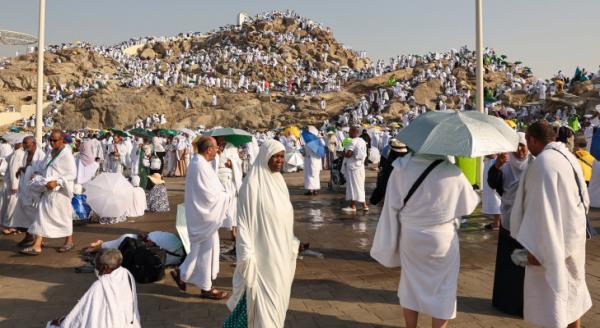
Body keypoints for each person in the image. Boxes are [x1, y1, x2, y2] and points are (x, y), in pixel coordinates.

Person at [370, 152, 479, 328]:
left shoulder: (401, 169)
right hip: (443, 238)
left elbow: (391, 204)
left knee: (410, 285)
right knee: (444, 288)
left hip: (411, 237)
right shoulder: (453, 172)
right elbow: (468, 206)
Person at [510, 121, 592, 328]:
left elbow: (541, 211)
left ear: (531, 140)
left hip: (553, 240)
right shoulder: (567, 157)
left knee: (554, 300)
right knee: (572, 295)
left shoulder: (544, 163)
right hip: (573, 233)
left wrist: (536, 250)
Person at [224, 140, 299, 328]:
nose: (280, 161)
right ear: (266, 156)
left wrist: (292, 242)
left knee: (279, 300)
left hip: (281, 256)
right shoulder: (251, 185)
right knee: (265, 305)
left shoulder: (279, 182)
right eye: (276, 156)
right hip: (262, 258)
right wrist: (246, 256)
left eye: (282, 156)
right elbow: (244, 224)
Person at [170, 136, 230, 299]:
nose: (218, 150)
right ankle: (206, 288)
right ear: (209, 149)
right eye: (216, 147)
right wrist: (226, 196)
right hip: (204, 215)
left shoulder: (200, 163)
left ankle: (181, 274)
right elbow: (209, 195)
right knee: (205, 252)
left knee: (199, 250)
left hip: (202, 216)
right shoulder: (200, 166)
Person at [487, 132, 533, 316]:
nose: (521, 150)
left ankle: (525, 304)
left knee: (525, 266)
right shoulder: (504, 165)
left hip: (528, 221)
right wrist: (496, 167)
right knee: (508, 265)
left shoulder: (534, 164)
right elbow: (493, 184)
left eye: (524, 145)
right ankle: (505, 302)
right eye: (518, 146)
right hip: (508, 221)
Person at [47, 248, 141, 327]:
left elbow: (81, 311)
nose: (95, 267)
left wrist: (64, 322)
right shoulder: (126, 273)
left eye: (96, 264)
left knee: (51, 325)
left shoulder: (99, 285)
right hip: (128, 323)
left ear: (105, 267)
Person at [21, 130, 77, 255]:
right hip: (47, 189)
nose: (51, 142)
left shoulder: (66, 154)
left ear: (62, 140)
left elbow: (71, 174)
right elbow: (43, 167)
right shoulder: (50, 152)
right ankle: (37, 245)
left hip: (60, 192)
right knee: (41, 215)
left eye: (54, 140)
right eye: (50, 140)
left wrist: (57, 182)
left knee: (63, 216)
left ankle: (69, 241)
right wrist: (38, 173)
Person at [12, 136, 46, 247]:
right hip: (25, 187)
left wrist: (36, 173)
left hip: (35, 189)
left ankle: (38, 240)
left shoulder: (41, 155)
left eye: (26, 143)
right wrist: (22, 169)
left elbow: (43, 170)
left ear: (33, 143)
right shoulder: (26, 153)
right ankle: (29, 236)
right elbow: (27, 166)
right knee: (25, 213)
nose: (24, 145)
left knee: (36, 215)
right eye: (23, 143)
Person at [83, 232, 184, 266]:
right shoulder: (180, 251)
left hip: (155, 253)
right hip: (166, 256)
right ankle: (101, 245)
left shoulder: (167, 238)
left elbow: (149, 243)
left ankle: (99, 246)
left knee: (126, 238)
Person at [369, 139, 408, 205]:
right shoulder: (410, 163)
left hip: (394, 201)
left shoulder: (391, 165)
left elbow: (383, 182)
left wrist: (374, 199)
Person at [1, 138, 25, 235]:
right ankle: (8, 226)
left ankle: (10, 225)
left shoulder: (18, 153)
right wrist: (15, 185)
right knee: (11, 205)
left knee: (8, 204)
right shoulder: (18, 153)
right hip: (13, 185)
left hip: (11, 184)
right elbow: (14, 170)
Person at [342, 126, 368, 212]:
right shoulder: (362, 141)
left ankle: (354, 206)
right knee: (359, 186)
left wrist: (341, 155)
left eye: (350, 131)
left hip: (353, 167)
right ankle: (361, 205)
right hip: (360, 166)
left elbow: (349, 154)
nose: (348, 133)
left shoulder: (353, 141)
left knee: (353, 186)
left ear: (354, 132)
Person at [482, 154, 501, 230]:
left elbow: (493, 155)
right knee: (493, 195)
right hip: (491, 164)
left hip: (493, 164)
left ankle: (497, 222)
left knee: (495, 195)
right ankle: (497, 221)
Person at [303, 130, 322, 196]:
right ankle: (315, 190)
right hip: (317, 162)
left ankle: (310, 190)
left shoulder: (308, 145)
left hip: (309, 161)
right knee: (316, 175)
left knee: (309, 176)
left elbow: (304, 153)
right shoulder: (319, 144)